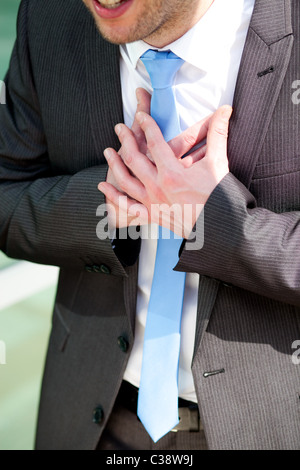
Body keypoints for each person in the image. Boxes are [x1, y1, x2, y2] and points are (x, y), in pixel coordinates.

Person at [0, 0, 299, 450]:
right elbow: (6, 194)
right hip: (95, 419)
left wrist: (219, 222)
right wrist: (111, 204)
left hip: (268, 425)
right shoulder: (48, 16)